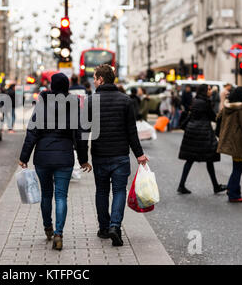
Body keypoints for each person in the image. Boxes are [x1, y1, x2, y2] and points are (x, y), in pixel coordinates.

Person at [19, 73, 91, 251]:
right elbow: (80, 135)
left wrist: (24, 157)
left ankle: (48, 227)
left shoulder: (42, 104)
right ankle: (59, 233)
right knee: (61, 196)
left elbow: (32, 132)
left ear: (51, 86)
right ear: (67, 87)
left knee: (46, 195)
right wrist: (83, 160)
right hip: (64, 157)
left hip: (43, 157)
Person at [89, 64, 148, 247]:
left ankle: (104, 228)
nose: (93, 80)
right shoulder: (125, 100)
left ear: (101, 79)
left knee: (102, 191)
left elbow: (83, 132)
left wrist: (82, 157)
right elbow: (132, 131)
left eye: (95, 77)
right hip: (120, 155)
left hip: (99, 154)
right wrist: (139, 154)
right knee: (119, 191)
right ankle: (115, 226)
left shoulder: (91, 101)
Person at [177, 84, 227, 195]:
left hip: (192, 131)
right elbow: (213, 117)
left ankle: (182, 185)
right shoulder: (205, 102)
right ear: (205, 91)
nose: (210, 91)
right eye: (209, 89)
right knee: (209, 158)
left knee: (190, 159)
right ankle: (215, 186)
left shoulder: (196, 101)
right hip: (203, 133)